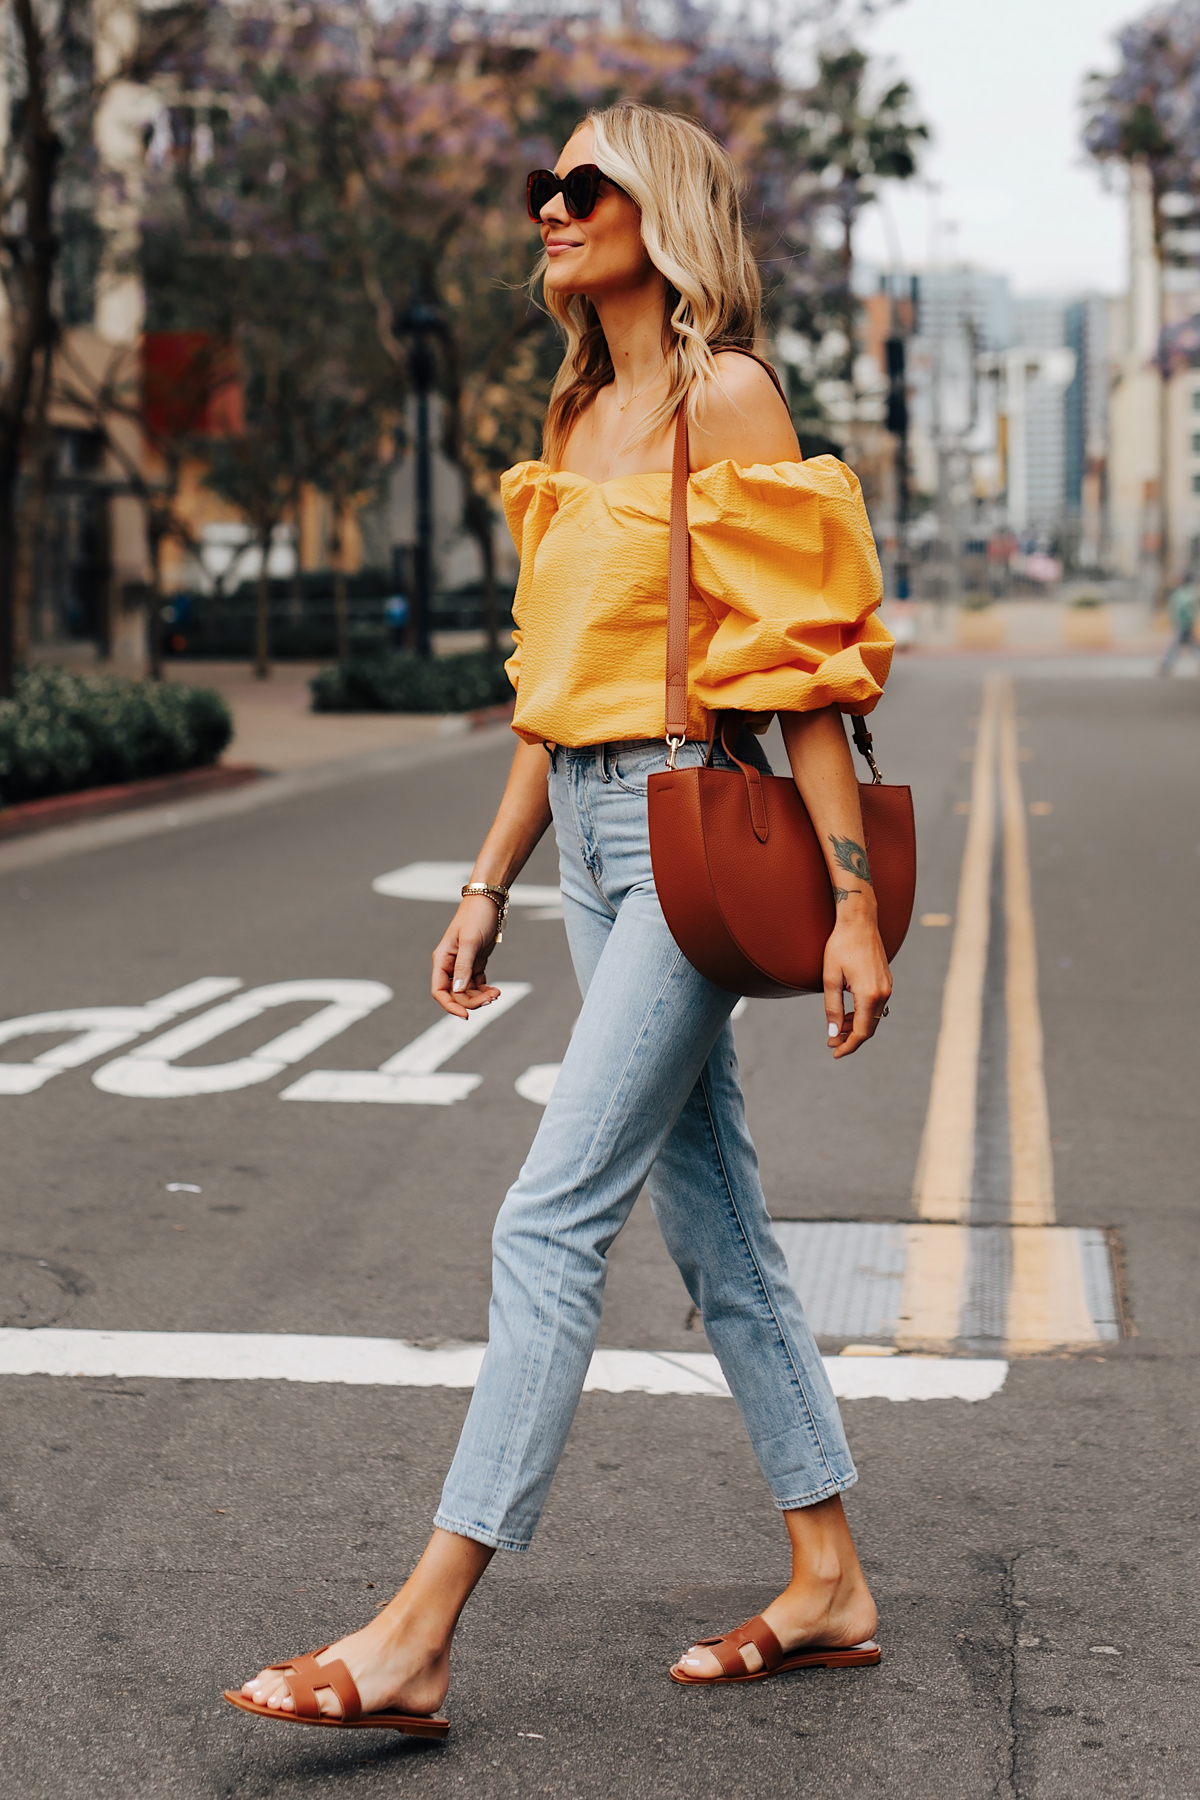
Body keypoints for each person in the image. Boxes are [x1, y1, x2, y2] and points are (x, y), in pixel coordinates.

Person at [227, 100, 894, 1736]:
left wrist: (855, 897)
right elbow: (548, 698)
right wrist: (488, 878)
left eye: (584, 182)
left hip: (690, 825)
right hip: (591, 837)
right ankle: (828, 1578)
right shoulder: (577, 412)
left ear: (658, 209)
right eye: (545, 184)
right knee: (714, 1213)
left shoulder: (723, 395)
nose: (550, 205)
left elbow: (797, 667)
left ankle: (418, 1631)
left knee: (547, 1217)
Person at [1160, 576, 1199, 674]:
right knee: (1188, 646)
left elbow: (1180, 612)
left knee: (1179, 646)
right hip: (1184, 625)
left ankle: (1167, 665)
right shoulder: (1189, 594)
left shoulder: (1181, 595)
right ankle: (1167, 665)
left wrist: (1182, 624)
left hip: (1183, 626)